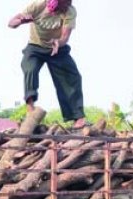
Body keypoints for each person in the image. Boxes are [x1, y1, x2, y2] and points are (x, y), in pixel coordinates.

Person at [9, 0, 87, 129]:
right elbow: (11, 24)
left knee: (73, 77)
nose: (60, 10)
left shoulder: (70, 11)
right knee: (30, 69)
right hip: (35, 47)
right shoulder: (37, 5)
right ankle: (30, 109)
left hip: (57, 48)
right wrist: (21, 21)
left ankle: (78, 117)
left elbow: (65, 36)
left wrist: (59, 42)